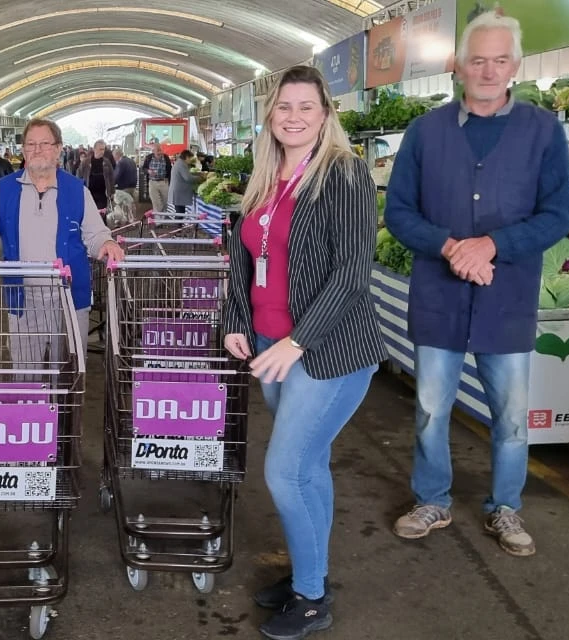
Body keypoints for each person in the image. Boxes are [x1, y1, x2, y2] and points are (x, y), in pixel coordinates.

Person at [384, 12, 569, 557]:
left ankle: (506, 508)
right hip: (439, 298)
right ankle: (432, 499)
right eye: (477, 59)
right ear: (458, 66)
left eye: (499, 60)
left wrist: (491, 245)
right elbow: (399, 212)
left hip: (507, 300)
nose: (488, 71)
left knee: (512, 416)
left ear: (515, 65)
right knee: (429, 408)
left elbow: (559, 214)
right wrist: (450, 247)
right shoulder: (425, 132)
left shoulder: (544, 131)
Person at [222, 65, 386, 640]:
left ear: (325, 115)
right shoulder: (266, 173)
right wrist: (237, 319)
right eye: (284, 107)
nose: (293, 117)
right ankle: (308, 573)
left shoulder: (343, 174)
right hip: (270, 345)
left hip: (327, 349)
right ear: (271, 113)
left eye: (306, 107)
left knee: (285, 471)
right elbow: (245, 257)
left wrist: (297, 340)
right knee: (309, 466)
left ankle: (313, 599)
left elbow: (351, 272)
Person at [0, 118, 125, 361]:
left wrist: (107, 243)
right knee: (26, 376)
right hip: (23, 300)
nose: (37, 150)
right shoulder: (3, 190)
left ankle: (62, 399)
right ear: (23, 150)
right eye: (30, 144)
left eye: (44, 143)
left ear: (58, 149)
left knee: (68, 377)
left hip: (69, 300)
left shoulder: (77, 190)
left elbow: (95, 234)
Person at [77, 139, 116, 211]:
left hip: (103, 195)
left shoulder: (107, 162)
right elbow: (79, 176)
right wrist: (79, 190)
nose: (102, 152)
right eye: (100, 149)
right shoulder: (85, 162)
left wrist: (112, 192)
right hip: (89, 194)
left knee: (102, 215)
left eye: (103, 149)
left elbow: (111, 177)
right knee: (90, 214)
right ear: (94, 149)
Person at [169, 149, 201, 213]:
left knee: (180, 212)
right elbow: (188, 178)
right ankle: (178, 223)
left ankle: (179, 223)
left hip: (178, 192)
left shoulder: (180, 163)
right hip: (179, 193)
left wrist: (196, 174)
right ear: (187, 157)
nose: (191, 160)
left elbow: (185, 175)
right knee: (180, 213)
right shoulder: (181, 164)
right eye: (190, 158)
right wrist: (199, 178)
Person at [145, 142, 171, 213]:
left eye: (160, 150)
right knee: (156, 203)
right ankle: (158, 221)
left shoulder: (166, 157)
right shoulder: (149, 158)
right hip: (153, 183)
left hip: (163, 182)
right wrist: (148, 171)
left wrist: (168, 179)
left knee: (165, 202)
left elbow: (169, 169)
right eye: (157, 151)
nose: (159, 152)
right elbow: (144, 168)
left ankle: (164, 218)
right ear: (153, 151)